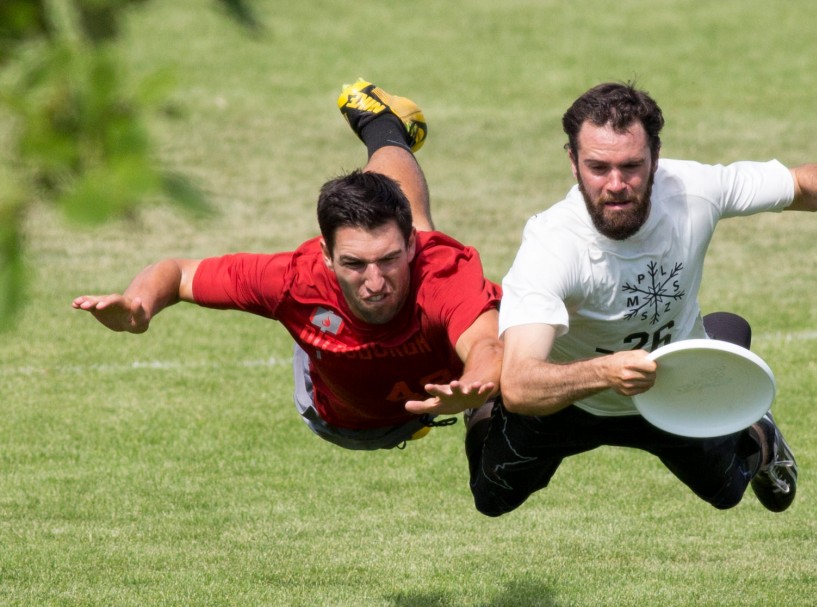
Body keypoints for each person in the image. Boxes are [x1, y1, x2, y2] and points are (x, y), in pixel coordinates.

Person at [467, 81, 817, 517]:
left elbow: (798, 185)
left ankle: (757, 425)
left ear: (655, 158)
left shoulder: (693, 189)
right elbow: (519, 383)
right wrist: (604, 372)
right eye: (598, 167)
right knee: (492, 498)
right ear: (572, 162)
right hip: (570, 398)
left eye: (631, 166)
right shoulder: (552, 245)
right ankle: (483, 408)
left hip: (673, 381)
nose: (615, 184)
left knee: (725, 492)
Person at [73, 80, 502, 451]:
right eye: (354, 263)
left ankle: (382, 126)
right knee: (402, 224)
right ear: (327, 256)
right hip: (340, 419)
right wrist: (138, 305)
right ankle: (384, 125)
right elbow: (180, 272)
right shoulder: (295, 280)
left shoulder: (440, 269)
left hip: (442, 392)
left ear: (407, 249)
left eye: (388, 259)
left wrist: (475, 386)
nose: (375, 282)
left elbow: (488, 347)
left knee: (419, 228)